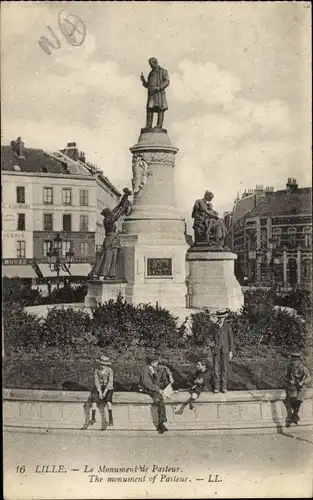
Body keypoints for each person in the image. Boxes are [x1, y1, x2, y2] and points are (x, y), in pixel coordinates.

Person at [90, 188, 132, 279]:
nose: (111, 212)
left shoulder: (108, 218)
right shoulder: (108, 220)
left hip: (112, 240)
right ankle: (104, 274)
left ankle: (109, 274)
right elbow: (117, 214)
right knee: (108, 258)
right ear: (107, 214)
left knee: (110, 257)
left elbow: (115, 210)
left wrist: (124, 199)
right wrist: (123, 207)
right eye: (109, 212)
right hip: (111, 240)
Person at [81, 355, 114, 430]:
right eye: (101, 364)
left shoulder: (110, 370)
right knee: (94, 400)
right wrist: (99, 391)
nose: (102, 366)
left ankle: (110, 419)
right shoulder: (96, 370)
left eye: (104, 365)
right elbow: (96, 381)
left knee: (109, 401)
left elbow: (110, 381)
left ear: (107, 365)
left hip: (108, 388)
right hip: (99, 387)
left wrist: (105, 391)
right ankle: (93, 418)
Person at [139, 355, 168, 434]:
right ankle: (160, 424)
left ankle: (161, 423)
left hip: (153, 387)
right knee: (159, 400)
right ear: (152, 362)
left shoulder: (153, 368)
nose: (157, 364)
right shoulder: (144, 369)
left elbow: (156, 381)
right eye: (156, 362)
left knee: (161, 399)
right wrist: (158, 389)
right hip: (147, 388)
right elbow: (147, 384)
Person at [140, 57, 170, 129]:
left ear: (155, 63)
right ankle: (148, 125)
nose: (150, 66)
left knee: (160, 109)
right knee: (150, 109)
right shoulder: (151, 73)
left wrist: (159, 87)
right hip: (152, 95)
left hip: (159, 94)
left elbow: (167, 81)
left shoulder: (163, 71)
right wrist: (143, 81)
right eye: (150, 65)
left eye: (151, 64)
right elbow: (148, 85)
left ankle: (159, 125)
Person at [285, 351, 311, 427]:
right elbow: (286, 376)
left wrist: (302, 382)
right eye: (293, 360)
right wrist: (289, 380)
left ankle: (294, 415)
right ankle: (295, 416)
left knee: (299, 399)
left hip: (301, 385)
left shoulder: (303, 368)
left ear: (299, 361)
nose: (295, 362)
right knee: (292, 399)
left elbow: (309, 377)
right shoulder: (289, 367)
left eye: (296, 360)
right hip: (292, 385)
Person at [211, 310, 234, 393]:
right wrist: (210, 343)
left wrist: (231, 351)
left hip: (225, 350)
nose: (220, 319)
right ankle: (216, 387)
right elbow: (208, 336)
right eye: (219, 318)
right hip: (216, 350)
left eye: (222, 318)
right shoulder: (214, 326)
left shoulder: (228, 327)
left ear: (224, 318)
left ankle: (223, 387)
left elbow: (231, 339)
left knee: (224, 368)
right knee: (216, 368)